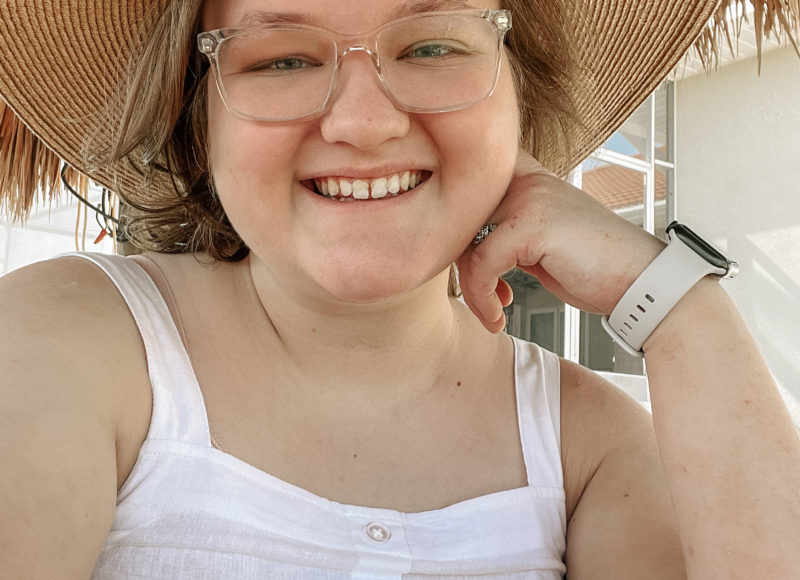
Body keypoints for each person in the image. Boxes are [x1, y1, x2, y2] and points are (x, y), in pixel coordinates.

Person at [0, 0, 798, 578]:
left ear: (518, 94)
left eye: (432, 48)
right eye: (281, 59)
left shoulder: (593, 448)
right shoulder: (69, 336)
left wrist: (678, 304)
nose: (363, 123)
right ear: (196, 113)